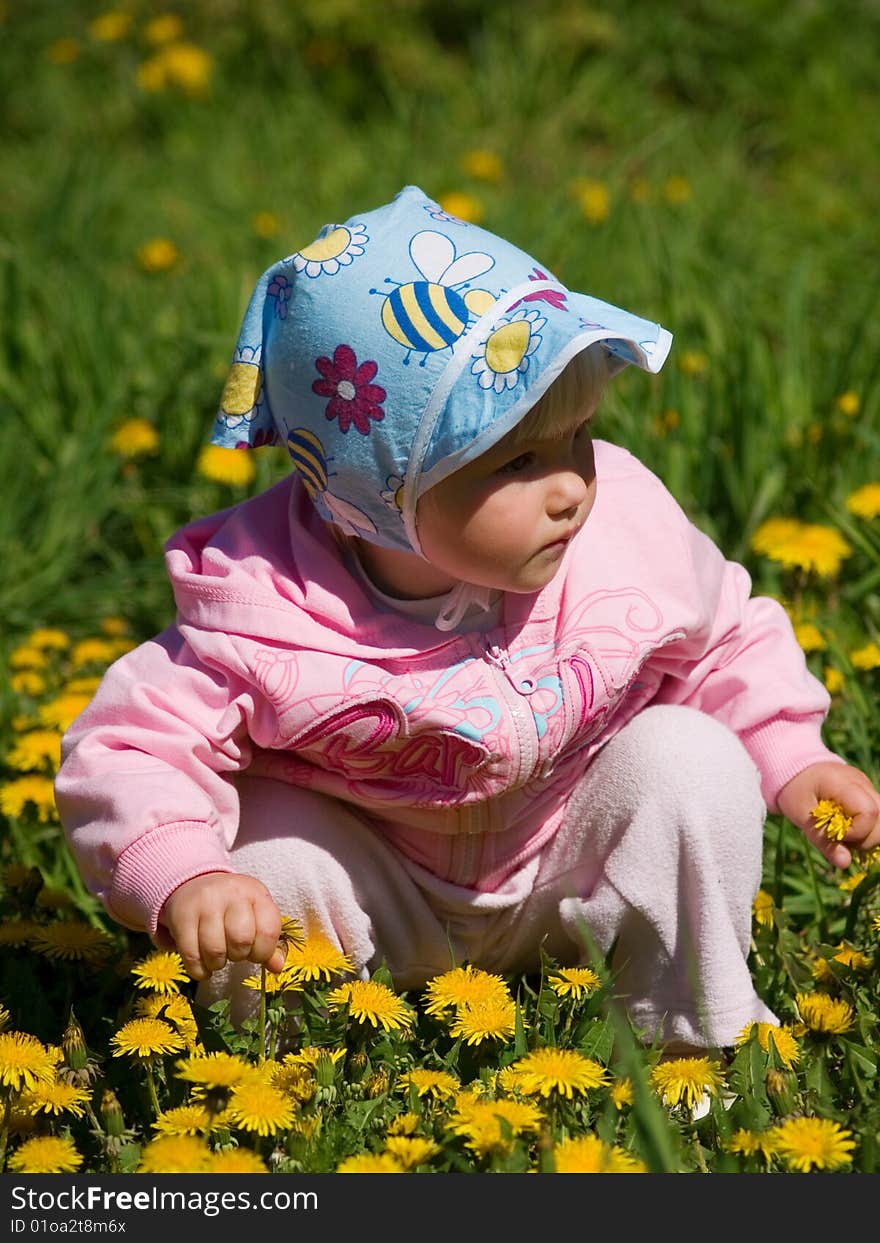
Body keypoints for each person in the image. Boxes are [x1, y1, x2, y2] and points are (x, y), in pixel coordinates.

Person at [55, 185, 880, 1050]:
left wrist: (792, 754)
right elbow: (128, 745)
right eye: (519, 458)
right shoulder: (263, 607)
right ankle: (302, 1082)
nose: (571, 488)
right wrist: (186, 871)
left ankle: (686, 1039)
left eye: (579, 438)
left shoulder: (624, 529)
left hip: (565, 867)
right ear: (377, 494)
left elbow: (726, 636)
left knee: (691, 759)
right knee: (265, 867)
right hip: (375, 890)